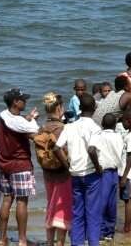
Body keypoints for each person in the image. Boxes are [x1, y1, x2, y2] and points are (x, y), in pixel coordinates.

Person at [53, 94, 102, 246]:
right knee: (92, 213)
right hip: (90, 174)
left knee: (77, 212)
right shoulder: (95, 128)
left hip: (74, 174)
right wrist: (98, 167)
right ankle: (93, 243)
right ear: (94, 108)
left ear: (79, 108)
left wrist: (67, 166)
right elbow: (92, 150)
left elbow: (56, 148)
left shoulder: (69, 126)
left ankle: (77, 243)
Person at [0, 88, 40, 246]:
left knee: (7, 200)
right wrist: (33, 119)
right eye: (22, 99)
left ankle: (2, 238)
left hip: (4, 163)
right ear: (15, 102)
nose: (25, 101)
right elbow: (34, 132)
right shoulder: (19, 122)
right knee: (22, 202)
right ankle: (22, 240)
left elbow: (18, 124)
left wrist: (27, 118)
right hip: (20, 164)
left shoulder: (4, 116)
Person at [38, 93, 70, 246]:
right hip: (62, 173)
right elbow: (64, 150)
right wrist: (69, 167)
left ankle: (50, 242)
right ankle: (60, 243)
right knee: (62, 207)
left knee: (50, 204)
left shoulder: (42, 127)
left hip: (47, 172)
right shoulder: (62, 128)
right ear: (59, 108)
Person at [87, 114, 124, 241]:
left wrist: (97, 167)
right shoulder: (119, 136)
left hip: (103, 172)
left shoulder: (99, 136)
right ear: (114, 125)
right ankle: (109, 231)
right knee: (111, 204)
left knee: (101, 202)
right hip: (115, 172)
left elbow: (91, 150)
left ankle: (101, 231)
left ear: (102, 124)